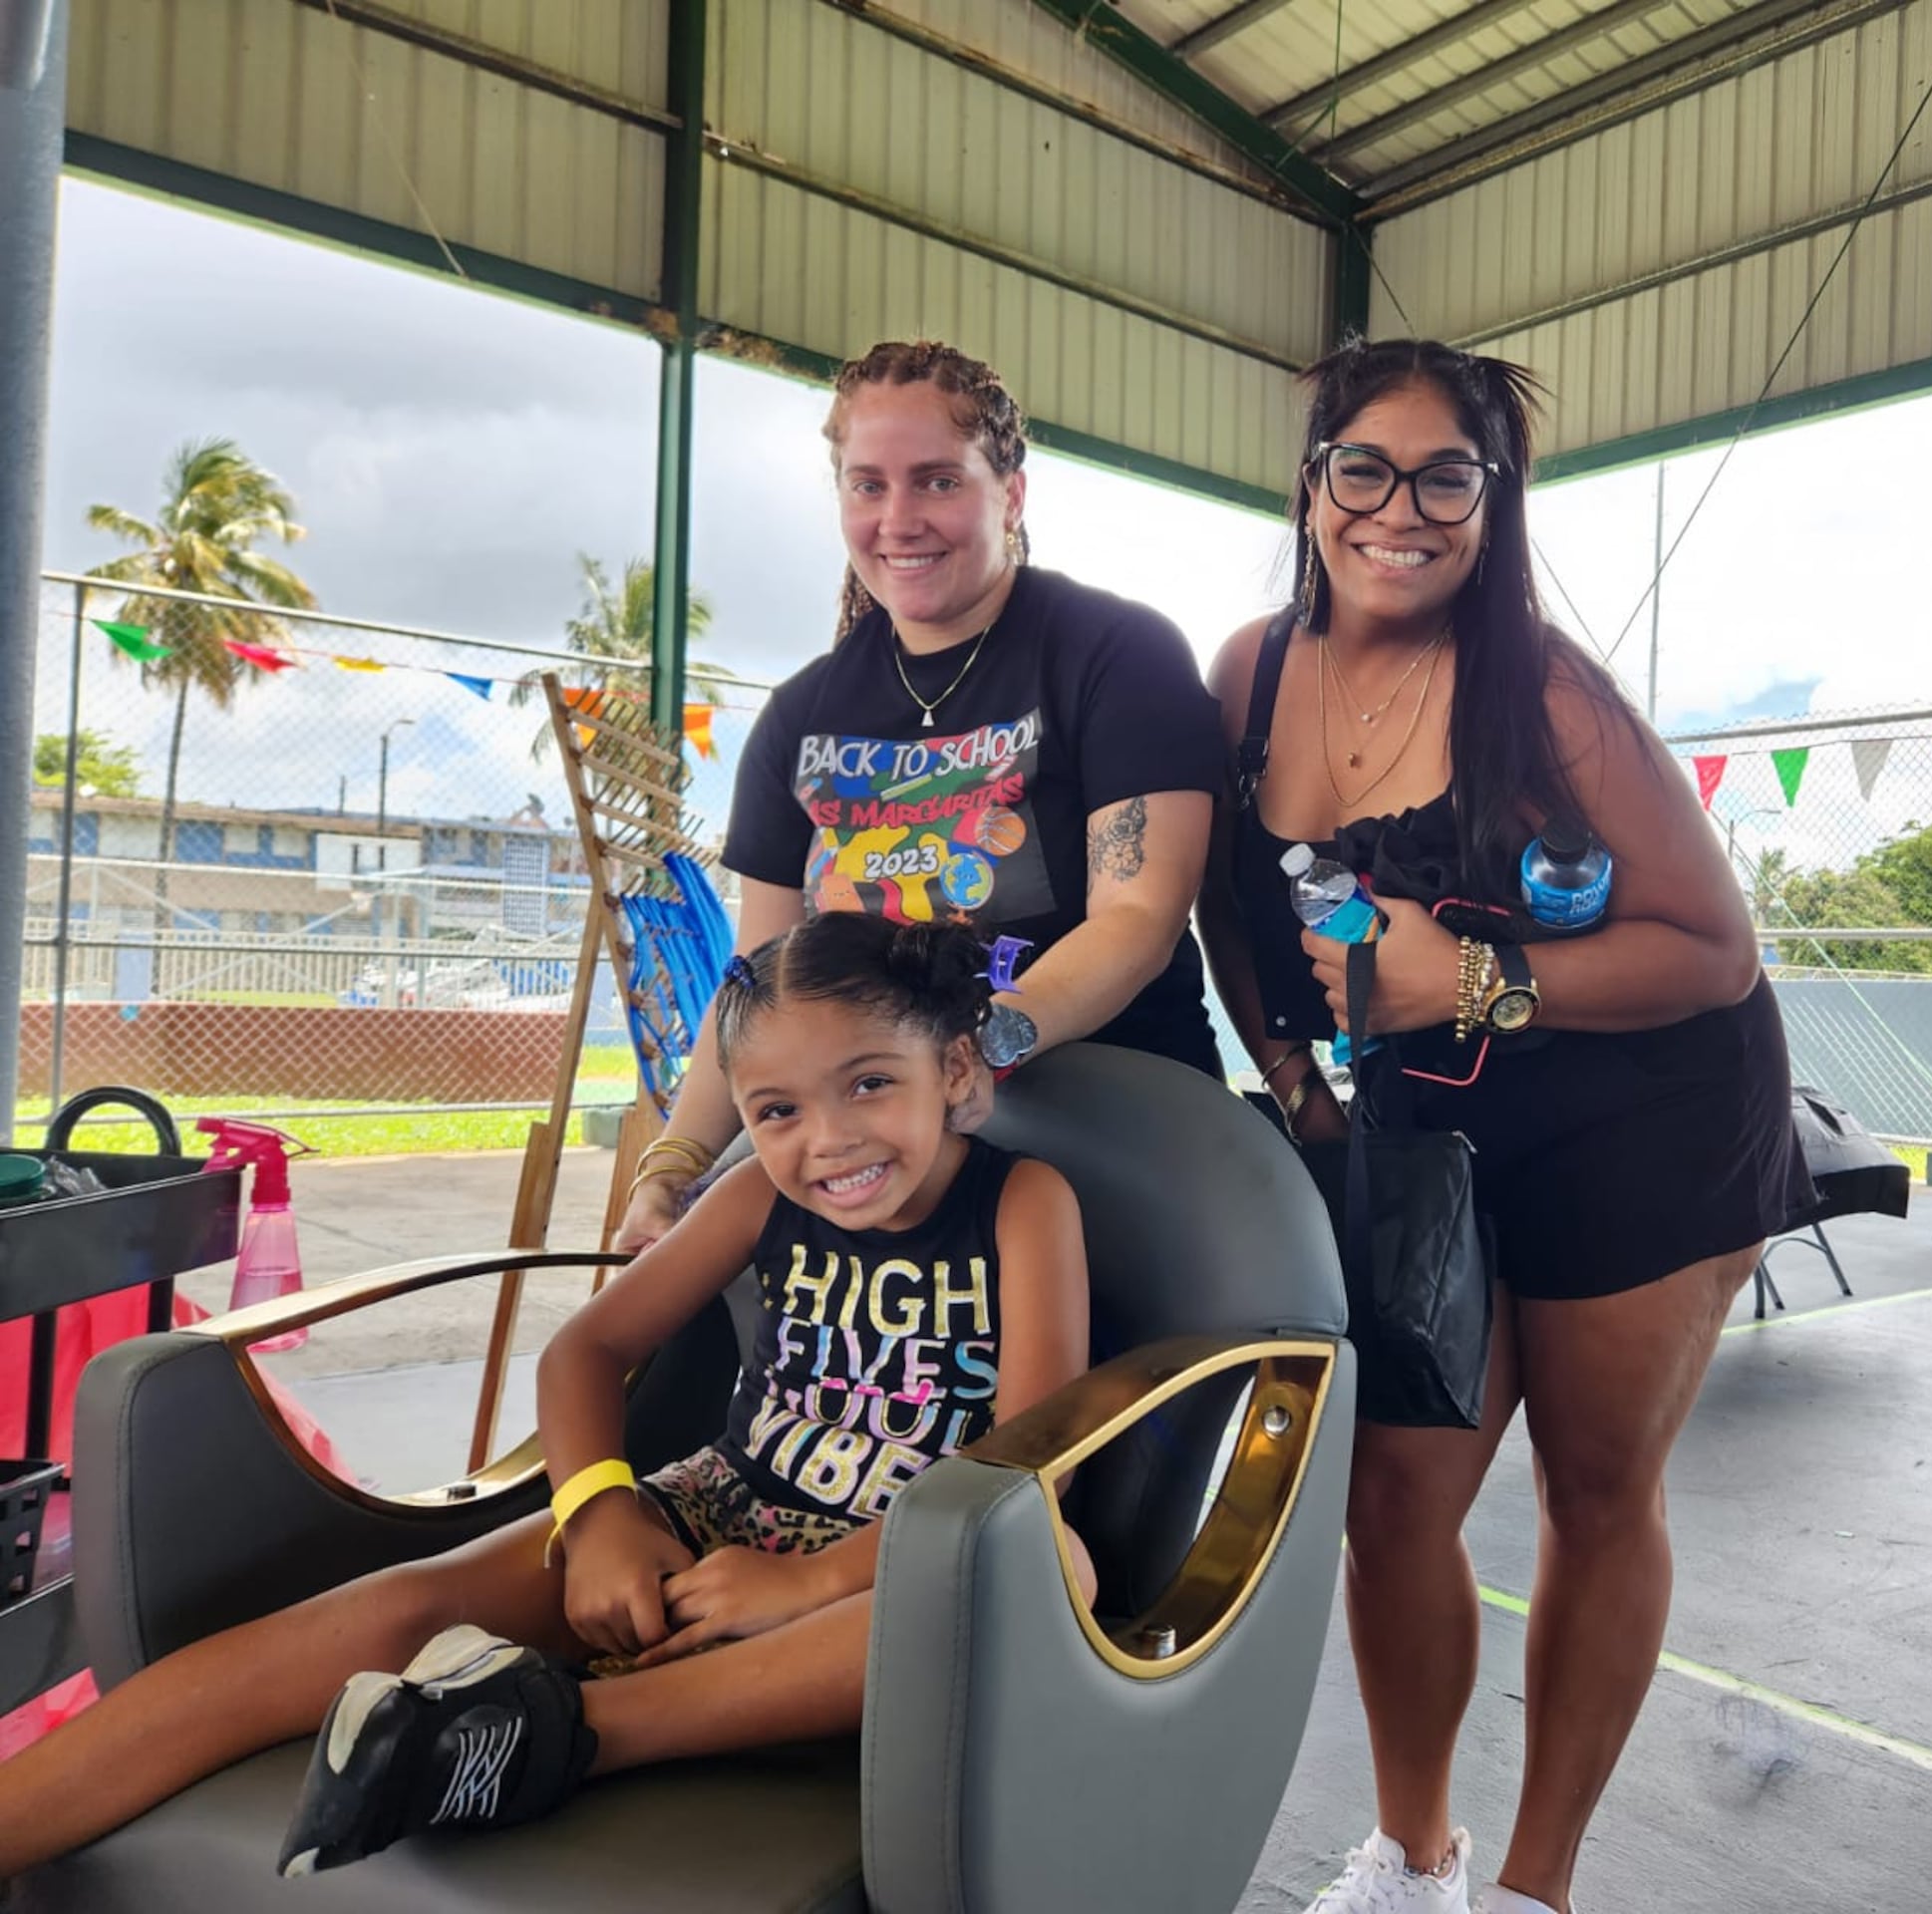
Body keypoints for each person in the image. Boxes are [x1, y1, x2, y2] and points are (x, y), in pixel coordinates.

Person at [0, 913, 1093, 1878]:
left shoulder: (1023, 1203)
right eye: (776, 1110)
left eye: (867, 1083)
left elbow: (1021, 1458)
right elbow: (584, 1351)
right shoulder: (759, 1194)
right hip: (706, 1522)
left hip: (901, 1561)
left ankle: (563, 1729)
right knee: (394, 1609)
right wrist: (601, 1516)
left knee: (1038, 1574)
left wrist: (811, 1583)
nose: (829, 1140)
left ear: (954, 1069)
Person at [1195, 339, 1809, 1914]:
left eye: (1446, 475)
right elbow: (1226, 902)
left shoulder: (1546, 690)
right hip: (1423, 1117)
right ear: (1314, 481)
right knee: (1393, 1501)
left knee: (1596, 1490)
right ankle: (1416, 1863)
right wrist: (1294, 1074)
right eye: (1368, 469)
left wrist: (1468, 979)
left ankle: (1536, 1888)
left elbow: (1709, 950)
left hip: (1647, 1113)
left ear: (1493, 498)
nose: (1403, 509)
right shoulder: (1248, 672)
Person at [617, 339, 1228, 1253]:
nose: (899, 519)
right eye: (869, 486)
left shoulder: (1115, 654)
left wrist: (979, 1050)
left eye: (937, 481)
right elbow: (757, 981)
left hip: (1111, 1136)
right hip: (877, 1167)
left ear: (1010, 493)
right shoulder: (800, 716)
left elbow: (1137, 917)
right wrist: (674, 1164)